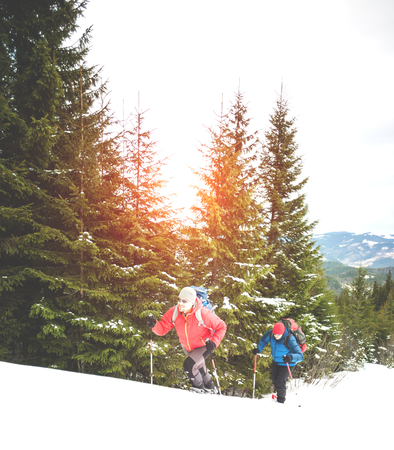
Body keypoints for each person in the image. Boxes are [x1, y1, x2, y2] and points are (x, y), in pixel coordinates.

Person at [147, 287, 227, 393]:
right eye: (179, 299)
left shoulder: (202, 313)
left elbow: (222, 326)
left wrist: (214, 342)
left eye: (184, 301)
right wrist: (154, 325)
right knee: (199, 367)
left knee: (189, 366)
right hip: (188, 347)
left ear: (192, 302)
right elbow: (162, 329)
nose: (180, 303)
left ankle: (198, 389)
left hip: (204, 346)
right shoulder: (174, 312)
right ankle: (210, 387)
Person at [252, 322, 303, 403]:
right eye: (275, 334)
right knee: (274, 379)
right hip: (276, 361)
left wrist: (290, 357)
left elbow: (300, 356)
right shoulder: (271, 334)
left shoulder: (290, 338)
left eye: (278, 335)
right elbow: (263, 340)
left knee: (280, 381)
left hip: (288, 362)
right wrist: (258, 349)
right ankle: (280, 392)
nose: (276, 336)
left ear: (283, 333)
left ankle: (281, 400)